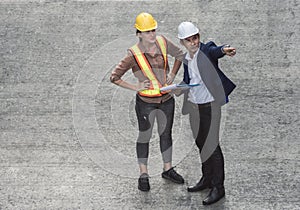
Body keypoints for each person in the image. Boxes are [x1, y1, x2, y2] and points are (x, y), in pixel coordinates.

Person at [110, 12, 185, 192]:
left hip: (166, 99)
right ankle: (143, 174)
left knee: (166, 134)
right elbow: (114, 77)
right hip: (145, 102)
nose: (152, 34)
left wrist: (172, 75)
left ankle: (167, 169)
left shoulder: (163, 42)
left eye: (153, 30)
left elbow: (180, 55)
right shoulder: (133, 54)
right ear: (139, 34)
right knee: (144, 136)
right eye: (147, 31)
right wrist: (135, 87)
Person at [176, 22, 236, 205]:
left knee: (212, 145)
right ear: (182, 42)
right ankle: (207, 179)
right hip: (194, 107)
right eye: (189, 40)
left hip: (210, 106)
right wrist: (179, 89)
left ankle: (219, 187)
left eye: (196, 38)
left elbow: (216, 50)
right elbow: (189, 80)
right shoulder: (186, 58)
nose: (194, 42)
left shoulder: (206, 50)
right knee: (201, 143)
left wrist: (224, 49)